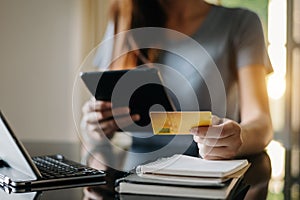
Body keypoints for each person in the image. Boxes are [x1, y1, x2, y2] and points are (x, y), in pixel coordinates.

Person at [81, 0, 273, 160]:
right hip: (135, 176)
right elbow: (101, 108)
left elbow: (261, 122)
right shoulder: (124, 19)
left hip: (208, 171)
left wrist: (239, 138)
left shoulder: (241, 23)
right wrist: (95, 126)